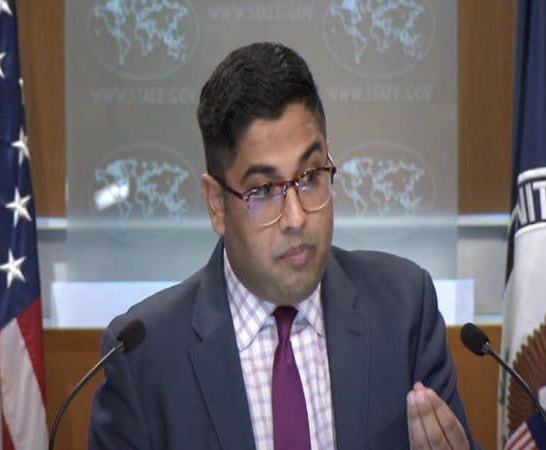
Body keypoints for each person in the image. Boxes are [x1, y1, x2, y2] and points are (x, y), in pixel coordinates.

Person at [88, 42, 475, 449]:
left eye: (310, 177)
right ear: (217, 204)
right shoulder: (143, 357)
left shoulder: (403, 309)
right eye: (263, 190)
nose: (296, 218)